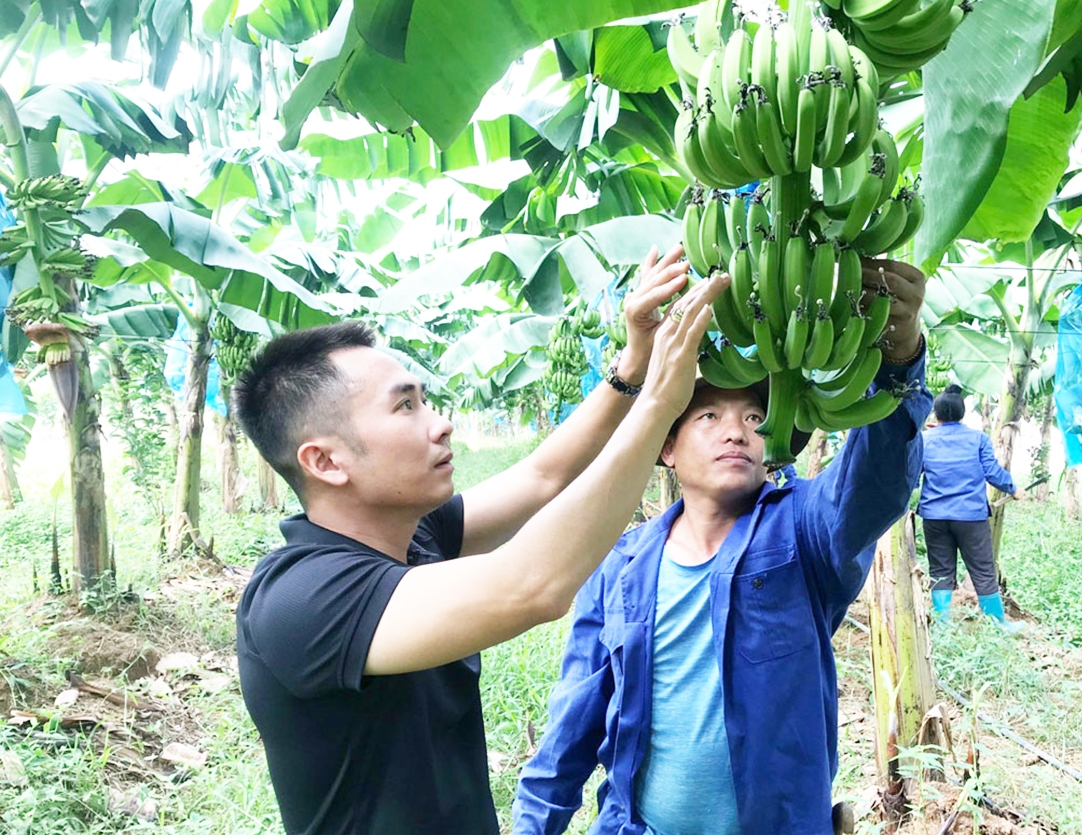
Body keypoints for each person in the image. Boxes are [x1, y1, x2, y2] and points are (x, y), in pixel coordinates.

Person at [231, 245, 731, 835]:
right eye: (406, 407)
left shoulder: (414, 538)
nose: (439, 422)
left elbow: (543, 476)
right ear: (326, 462)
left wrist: (632, 365)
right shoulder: (300, 599)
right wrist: (658, 408)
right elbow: (532, 586)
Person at [511, 260, 933, 835]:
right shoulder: (620, 565)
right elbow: (574, 719)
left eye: (756, 416)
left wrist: (901, 359)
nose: (737, 431)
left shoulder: (804, 532)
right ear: (667, 449)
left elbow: (875, 483)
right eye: (708, 415)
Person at [918, 384, 1026, 630]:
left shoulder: (924, 440)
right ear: (962, 413)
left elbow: (912, 476)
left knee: (940, 569)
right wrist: (1014, 489)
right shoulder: (977, 439)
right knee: (983, 569)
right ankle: (999, 624)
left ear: (937, 414)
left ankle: (943, 626)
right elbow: (992, 472)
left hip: (934, 517)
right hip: (970, 517)